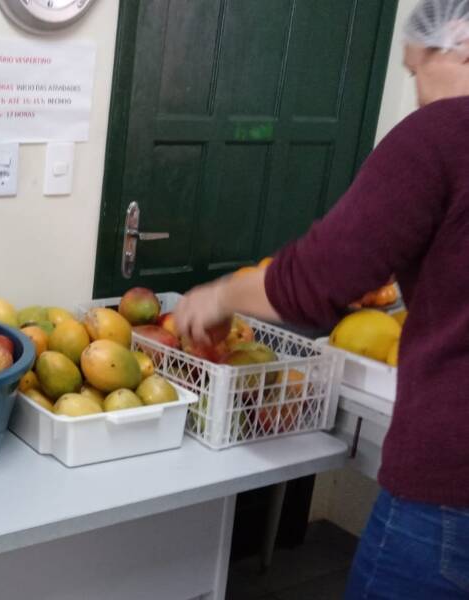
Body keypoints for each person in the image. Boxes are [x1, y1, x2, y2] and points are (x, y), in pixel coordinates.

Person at [173, 1, 469, 598]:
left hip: (452, 483)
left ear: (455, 45)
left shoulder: (443, 133)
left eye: (415, 74)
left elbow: (318, 281)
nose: (415, 96)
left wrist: (219, 294)